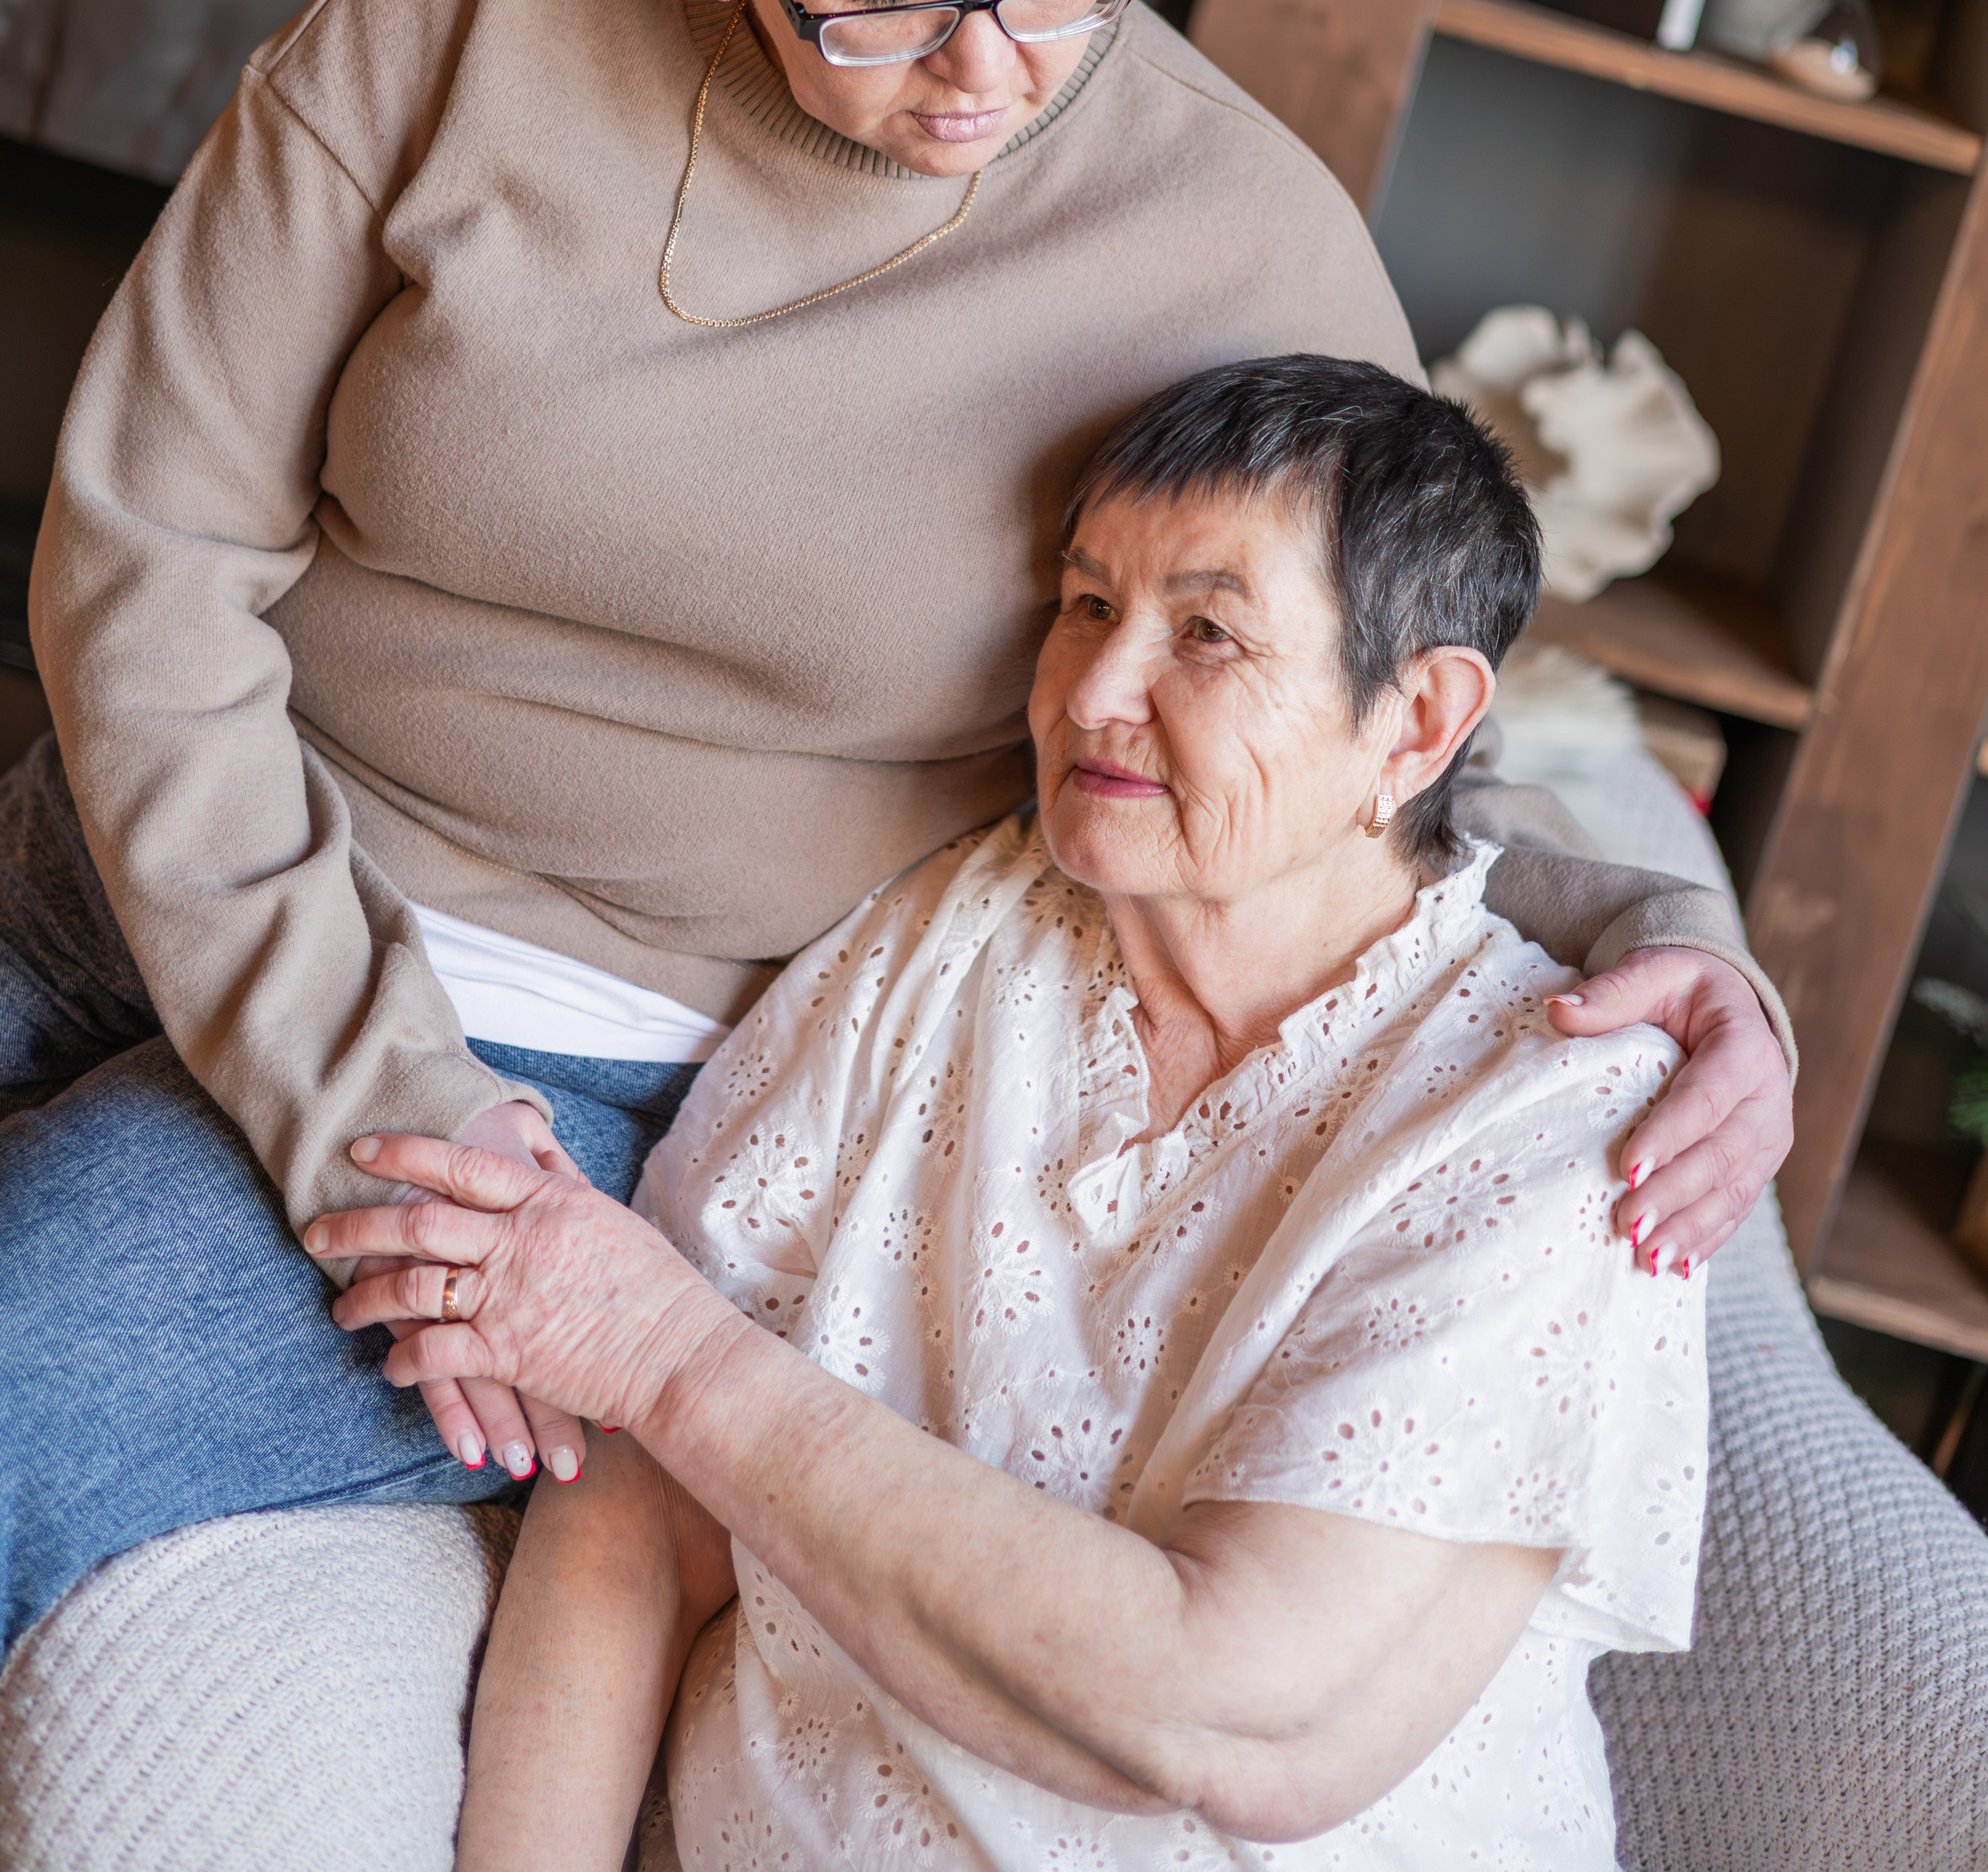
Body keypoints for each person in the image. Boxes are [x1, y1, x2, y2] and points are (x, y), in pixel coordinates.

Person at [3, 0, 1779, 1660]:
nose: (988, 73)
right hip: (130, 847)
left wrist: (1686, 942)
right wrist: (331, 1047)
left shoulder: (1246, 254)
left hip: (559, 1086)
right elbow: (144, 554)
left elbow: (1357, 757)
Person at [324, 356, 1710, 1872]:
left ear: (1414, 721)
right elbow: (637, 1517)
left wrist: (664, 1350)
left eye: (1206, 634)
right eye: (1085, 606)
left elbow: (1223, 1720)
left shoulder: (1547, 1119)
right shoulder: (949, 937)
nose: (1093, 695)